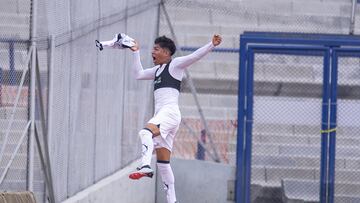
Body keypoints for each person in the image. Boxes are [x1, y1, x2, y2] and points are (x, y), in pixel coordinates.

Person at [128, 34, 222, 203]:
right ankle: (172, 201)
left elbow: (194, 56)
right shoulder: (157, 70)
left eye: (156, 49)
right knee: (163, 164)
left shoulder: (175, 64)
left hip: (169, 113)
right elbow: (138, 74)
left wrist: (211, 44)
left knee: (144, 133)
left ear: (166, 52)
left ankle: (145, 166)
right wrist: (135, 52)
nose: (152, 52)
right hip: (164, 116)